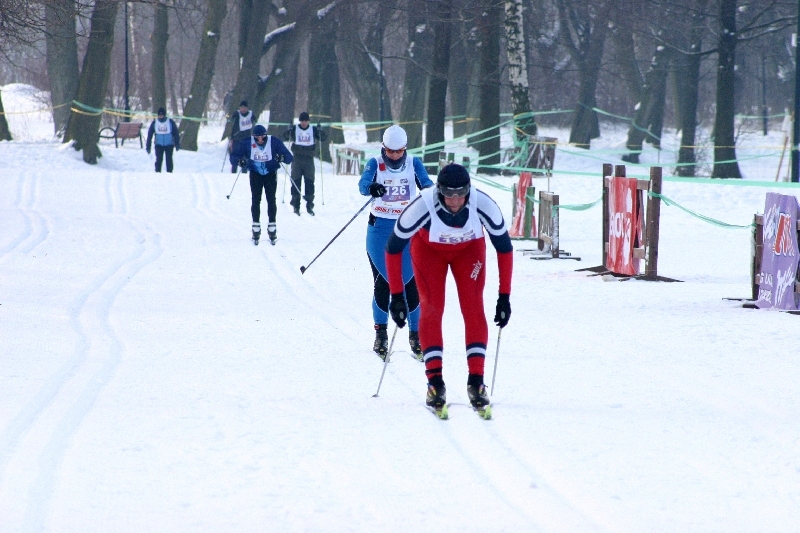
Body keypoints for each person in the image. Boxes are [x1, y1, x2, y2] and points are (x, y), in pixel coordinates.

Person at [384, 163, 513, 414]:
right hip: (429, 252)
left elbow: (505, 249)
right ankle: (435, 383)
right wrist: (397, 296)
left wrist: (504, 296)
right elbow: (392, 249)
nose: (455, 201)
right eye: (448, 194)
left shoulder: (483, 204)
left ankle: (476, 381)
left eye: (460, 194)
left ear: (468, 189)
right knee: (431, 308)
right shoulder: (422, 205)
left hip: (469, 251)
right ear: (439, 190)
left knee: (473, 306)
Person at [358, 124, 433, 361]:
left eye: (398, 151)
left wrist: (428, 191)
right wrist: (373, 187)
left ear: (405, 149)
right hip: (379, 229)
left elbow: (427, 184)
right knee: (384, 282)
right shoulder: (374, 164)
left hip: (408, 229)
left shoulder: (414, 163)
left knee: (411, 284)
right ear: (383, 148)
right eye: (389, 151)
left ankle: (416, 335)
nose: (394, 156)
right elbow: (363, 186)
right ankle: (380, 334)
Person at [230, 124, 293, 245]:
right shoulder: (247, 142)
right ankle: (256, 227)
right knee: (256, 199)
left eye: (262, 138)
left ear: (266, 136)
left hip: (270, 173)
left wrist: (282, 157)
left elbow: (289, 157)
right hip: (255, 173)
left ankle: (272, 227)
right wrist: (239, 161)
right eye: (257, 138)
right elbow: (234, 155)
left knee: (271, 199)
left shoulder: (274, 141)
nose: (260, 140)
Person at [283, 112, 328, 216]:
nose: (303, 123)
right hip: (297, 159)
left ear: (308, 121)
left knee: (309, 182)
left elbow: (323, 138)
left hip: (309, 159)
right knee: (296, 181)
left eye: (305, 121)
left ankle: (309, 205)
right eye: (302, 121)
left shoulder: (313, 129)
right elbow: (286, 136)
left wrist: (321, 131)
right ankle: (296, 205)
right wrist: (288, 130)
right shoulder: (295, 129)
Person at [146, 107, 180, 173]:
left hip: (169, 144)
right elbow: (150, 135)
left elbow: (176, 133)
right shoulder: (155, 123)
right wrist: (148, 146)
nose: (161, 116)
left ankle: (169, 173)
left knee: (169, 159)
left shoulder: (170, 122)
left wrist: (177, 144)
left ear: (164, 115)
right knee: (158, 159)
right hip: (158, 144)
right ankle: (157, 172)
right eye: (159, 115)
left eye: (162, 115)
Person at [228, 101, 254, 173]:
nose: (243, 109)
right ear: (239, 108)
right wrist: (228, 115)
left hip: (246, 140)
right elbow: (229, 119)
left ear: (247, 108)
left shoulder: (251, 114)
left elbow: (254, 121)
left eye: (245, 108)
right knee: (235, 157)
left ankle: (244, 173)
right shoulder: (236, 114)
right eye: (242, 107)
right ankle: (233, 173)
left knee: (245, 157)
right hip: (236, 139)